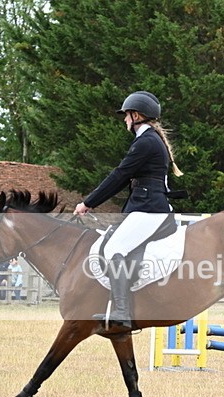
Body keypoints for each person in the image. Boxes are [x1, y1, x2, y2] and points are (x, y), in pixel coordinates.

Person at [73, 90, 183, 330]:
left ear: (136, 115)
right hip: (146, 206)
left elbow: (120, 175)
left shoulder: (146, 141)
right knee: (115, 243)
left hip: (149, 209)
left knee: (114, 249)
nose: (124, 120)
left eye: (126, 115)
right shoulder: (150, 139)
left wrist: (88, 202)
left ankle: (122, 311)